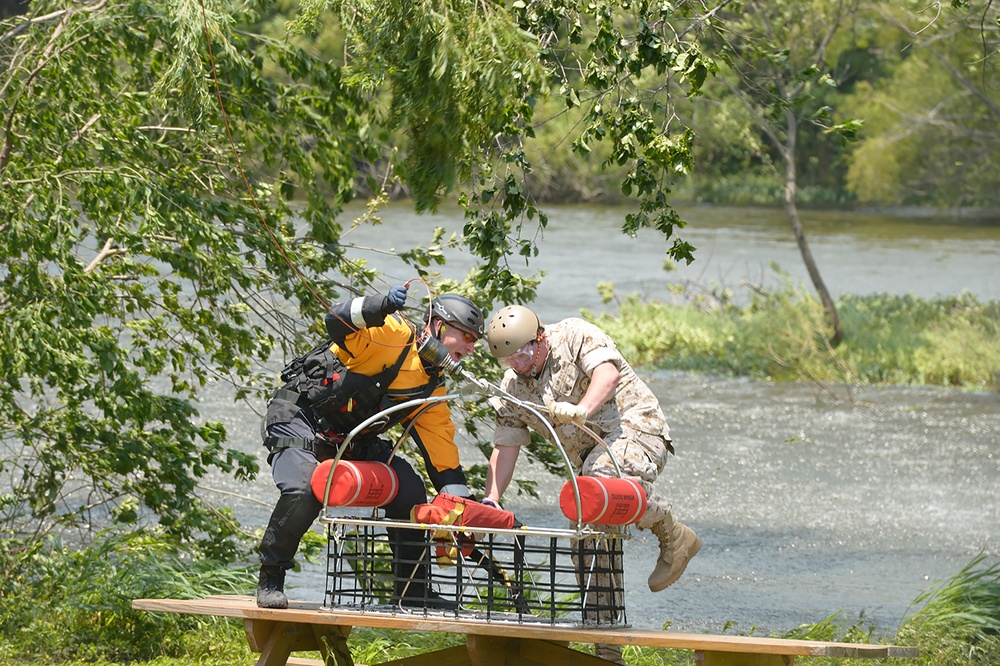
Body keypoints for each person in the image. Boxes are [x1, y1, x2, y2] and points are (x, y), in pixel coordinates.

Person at [483, 305, 700, 663]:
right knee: (587, 538)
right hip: (589, 461)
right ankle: (607, 649)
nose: (518, 365)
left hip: (633, 427)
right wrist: (492, 498)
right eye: (508, 360)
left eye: (521, 354)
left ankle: (671, 530)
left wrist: (582, 408)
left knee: (601, 482)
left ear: (538, 338)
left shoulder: (574, 334)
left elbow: (607, 374)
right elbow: (506, 443)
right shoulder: (513, 387)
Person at [256, 285, 484, 610]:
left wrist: (467, 511)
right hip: (299, 417)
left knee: (409, 486)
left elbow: (444, 463)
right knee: (303, 489)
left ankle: (413, 590)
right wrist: (382, 305)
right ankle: (271, 576)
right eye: (467, 337)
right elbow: (335, 319)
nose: (471, 348)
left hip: (350, 438)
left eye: (475, 341)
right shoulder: (392, 331)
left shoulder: (434, 391)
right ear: (440, 326)